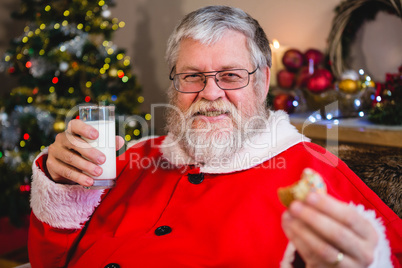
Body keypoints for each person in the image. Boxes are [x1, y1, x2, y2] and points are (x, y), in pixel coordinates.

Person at [29, 5, 401, 268]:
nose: (210, 93)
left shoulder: (318, 174)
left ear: (263, 81)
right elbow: (50, 260)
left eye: (231, 75)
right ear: (174, 84)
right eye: (192, 76)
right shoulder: (129, 158)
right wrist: (61, 182)